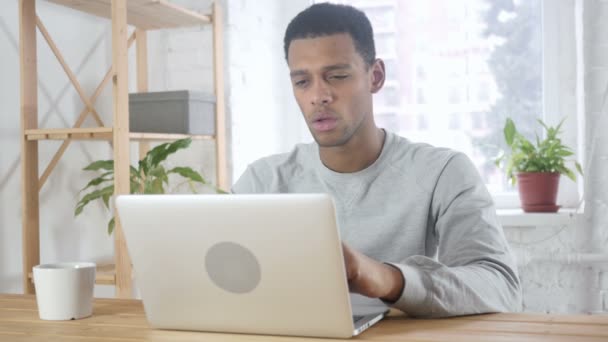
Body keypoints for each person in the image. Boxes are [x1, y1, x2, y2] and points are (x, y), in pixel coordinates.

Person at [232, 2, 522, 317]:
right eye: (302, 82)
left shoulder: (442, 172)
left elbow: (501, 288)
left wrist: (382, 277)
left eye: (337, 76)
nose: (319, 95)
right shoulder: (261, 181)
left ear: (376, 76)